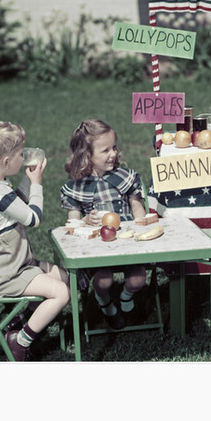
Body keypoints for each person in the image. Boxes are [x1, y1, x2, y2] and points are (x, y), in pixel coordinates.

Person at [0, 119, 70, 362]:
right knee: (62, 293)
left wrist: (26, 180)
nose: (23, 157)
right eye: (20, 154)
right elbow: (33, 217)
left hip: (15, 263)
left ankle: (19, 320)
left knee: (65, 276)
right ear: (6, 162)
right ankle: (20, 341)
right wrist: (37, 184)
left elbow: (16, 201)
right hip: (8, 273)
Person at [60, 119, 147, 330]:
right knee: (103, 282)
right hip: (99, 247)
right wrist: (85, 221)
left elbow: (137, 206)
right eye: (105, 150)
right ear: (86, 155)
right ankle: (105, 303)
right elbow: (72, 223)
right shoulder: (77, 186)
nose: (113, 154)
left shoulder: (124, 178)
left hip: (127, 242)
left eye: (114, 147)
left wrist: (140, 223)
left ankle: (126, 298)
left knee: (137, 279)